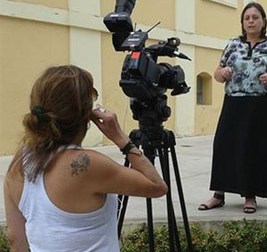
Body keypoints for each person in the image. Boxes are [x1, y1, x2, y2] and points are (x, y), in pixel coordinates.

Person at [3, 65, 168, 252]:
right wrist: (121, 138)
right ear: (86, 113)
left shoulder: (18, 163)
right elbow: (157, 186)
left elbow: (15, 238)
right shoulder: (87, 164)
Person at [198, 2, 267, 214]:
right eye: (247, 18)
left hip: (262, 106)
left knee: (254, 149)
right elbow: (216, 74)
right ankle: (218, 195)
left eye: (255, 17)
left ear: (263, 21)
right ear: (242, 23)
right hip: (234, 102)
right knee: (223, 145)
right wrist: (222, 73)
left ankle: (250, 197)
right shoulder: (232, 44)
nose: (251, 21)